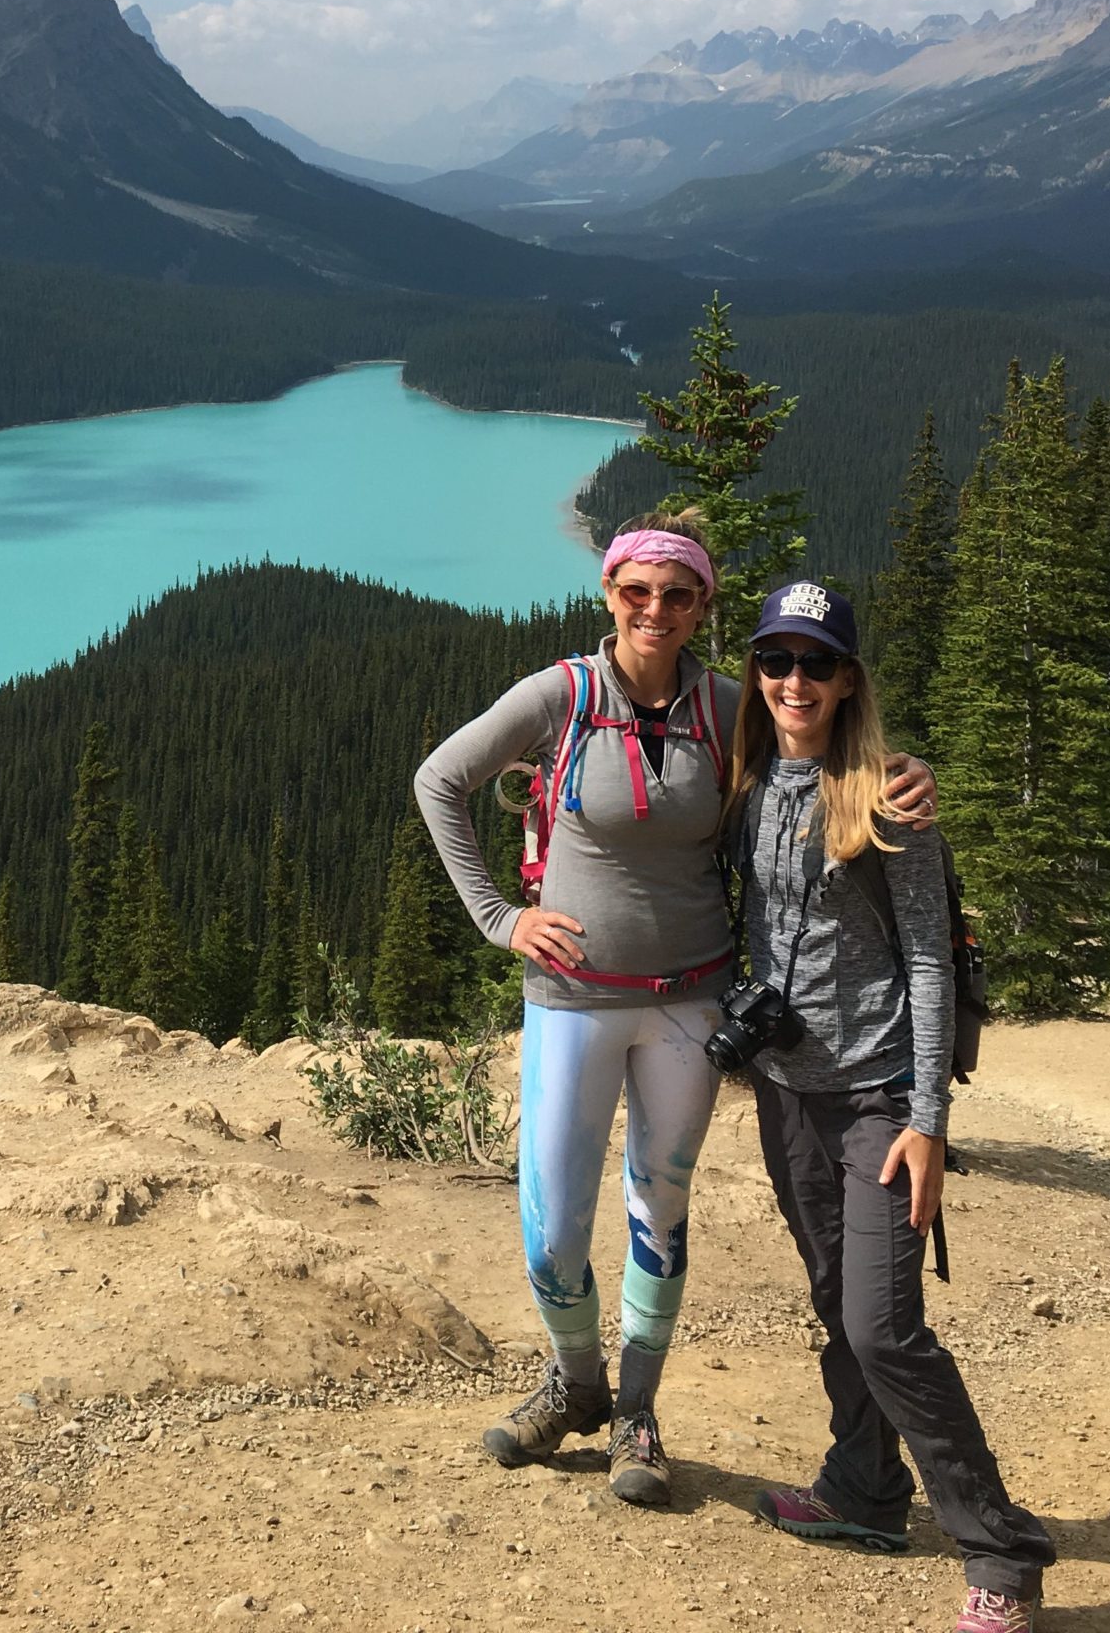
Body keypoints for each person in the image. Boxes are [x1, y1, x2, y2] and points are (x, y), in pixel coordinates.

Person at [413, 512, 935, 1506]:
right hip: (572, 996)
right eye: (636, 591)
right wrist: (499, 918)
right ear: (609, 593)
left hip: (692, 1001)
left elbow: (820, 758)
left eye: (679, 594)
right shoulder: (562, 694)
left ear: (703, 607)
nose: (655, 609)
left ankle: (638, 1411)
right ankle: (574, 1383)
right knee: (553, 1224)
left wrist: (905, 775)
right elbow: (440, 780)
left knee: (661, 1208)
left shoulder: (727, 708)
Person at [727, 576, 1054, 1632]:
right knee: (836, 1300)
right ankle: (864, 1488)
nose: (793, 679)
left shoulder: (890, 799)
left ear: (848, 677)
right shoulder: (745, 783)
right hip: (787, 1095)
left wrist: (927, 1119)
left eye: (816, 661)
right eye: (776, 659)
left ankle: (998, 1550)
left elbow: (926, 961)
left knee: (883, 1326)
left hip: (876, 1101)